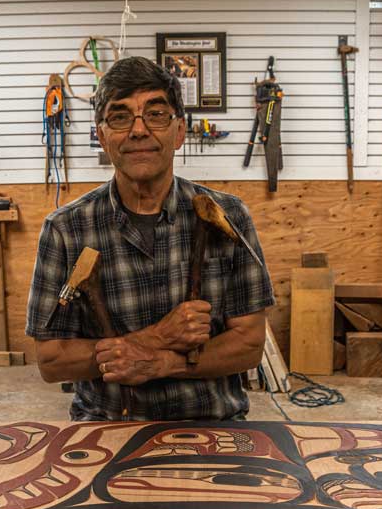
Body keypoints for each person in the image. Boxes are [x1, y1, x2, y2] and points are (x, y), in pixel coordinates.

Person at [25, 56, 275, 421]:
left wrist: (161, 363)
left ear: (178, 131)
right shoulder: (66, 229)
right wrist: (158, 336)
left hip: (212, 428)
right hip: (106, 428)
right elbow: (51, 361)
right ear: (101, 134)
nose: (138, 130)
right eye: (120, 117)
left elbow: (250, 346)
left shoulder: (230, 217)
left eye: (156, 114)